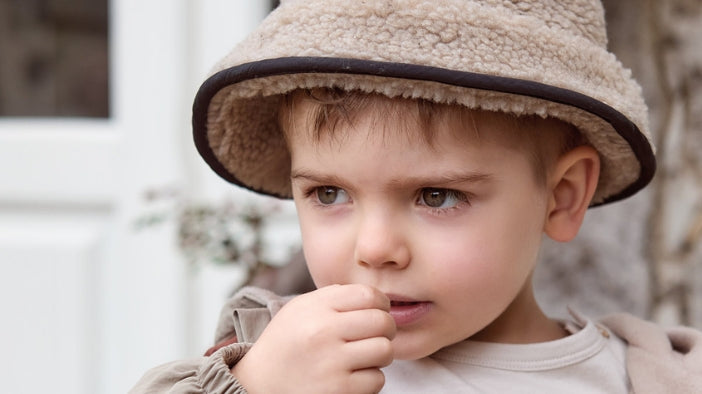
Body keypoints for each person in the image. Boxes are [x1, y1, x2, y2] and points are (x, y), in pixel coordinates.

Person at [131, 0, 702, 393]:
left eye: (436, 196)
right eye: (329, 192)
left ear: (561, 197)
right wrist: (252, 385)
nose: (376, 249)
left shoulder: (652, 378)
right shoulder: (278, 360)